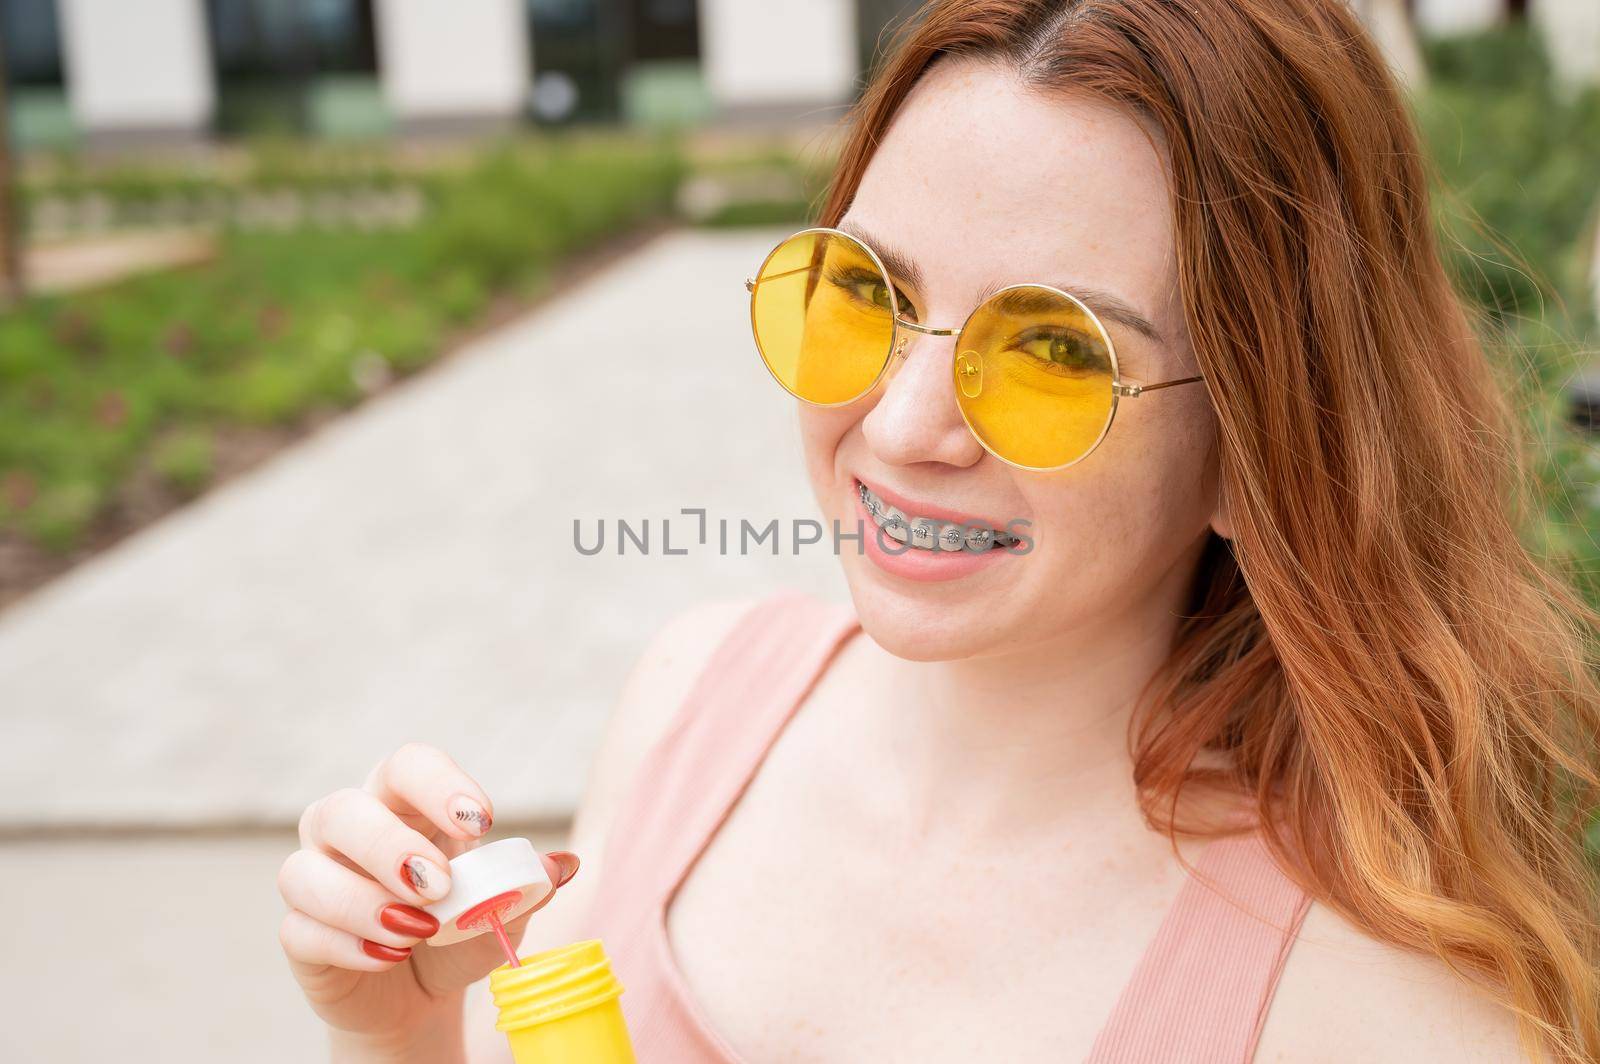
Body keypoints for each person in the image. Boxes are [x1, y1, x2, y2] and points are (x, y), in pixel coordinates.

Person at [276, 0, 1600, 1060]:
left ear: (1253, 455)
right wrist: (402, 1041)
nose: (903, 425)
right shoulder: (693, 700)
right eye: (864, 291)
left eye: (1050, 354)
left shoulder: (1378, 1014)